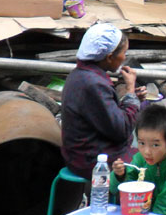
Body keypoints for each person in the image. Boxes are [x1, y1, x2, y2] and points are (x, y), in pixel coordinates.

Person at [61, 23, 146, 179]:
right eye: (124, 53)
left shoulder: (79, 74)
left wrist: (132, 98)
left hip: (79, 155)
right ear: (109, 57)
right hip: (92, 161)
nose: (124, 58)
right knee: (153, 161)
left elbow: (103, 115)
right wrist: (130, 91)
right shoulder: (94, 84)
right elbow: (122, 130)